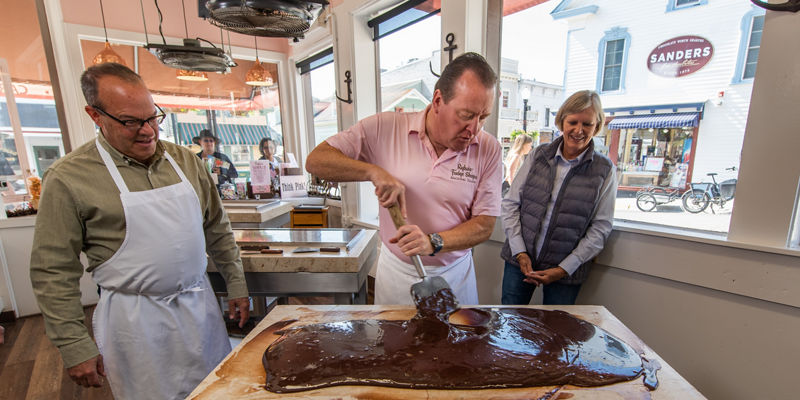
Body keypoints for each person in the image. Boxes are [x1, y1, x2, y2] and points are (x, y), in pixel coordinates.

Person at [29, 63, 250, 400]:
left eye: (152, 118)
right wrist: (73, 344)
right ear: (95, 115)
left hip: (199, 308)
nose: (148, 131)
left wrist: (235, 282)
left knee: (215, 392)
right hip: (135, 323)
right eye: (130, 122)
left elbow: (216, 227)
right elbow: (53, 269)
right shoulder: (68, 177)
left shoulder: (186, 161)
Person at [306, 52, 503, 305]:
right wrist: (373, 172)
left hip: (455, 274)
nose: (474, 129)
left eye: (483, 117)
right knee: (397, 344)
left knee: (459, 344)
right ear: (438, 100)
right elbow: (316, 161)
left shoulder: (489, 149)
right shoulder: (384, 128)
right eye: (466, 115)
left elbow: (484, 224)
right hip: (398, 273)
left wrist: (433, 242)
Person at [500, 90, 617, 305]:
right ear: (561, 121)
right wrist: (520, 253)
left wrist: (564, 268)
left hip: (565, 272)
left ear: (597, 126)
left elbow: (601, 227)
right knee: (509, 323)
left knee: (557, 331)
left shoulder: (604, 169)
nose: (579, 130)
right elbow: (510, 204)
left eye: (587, 124)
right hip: (519, 262)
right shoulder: (538, 156)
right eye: (573, 122)